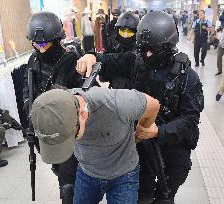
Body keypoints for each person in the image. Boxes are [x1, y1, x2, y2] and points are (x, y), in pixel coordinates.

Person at [76, 11, 204, 203]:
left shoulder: (187, 77)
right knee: (141, 197)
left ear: (169, 46)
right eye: (143, 49)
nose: (146, 55)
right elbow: (109, 61)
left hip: (171, 151)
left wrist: (158, 131)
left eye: (152, 50)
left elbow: (190, 121)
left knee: (165, 198)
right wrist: (91, 56)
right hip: (141, 150)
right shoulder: (135, 61)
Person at [31, 87, 160, 204]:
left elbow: (153, 105)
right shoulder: (52, 110)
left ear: (82, 114)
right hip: (87, 172)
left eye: (70, 137)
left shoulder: (117, 103)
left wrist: (142, 129)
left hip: (124, 175)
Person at [24, 11, 83, 204]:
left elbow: (89, 96)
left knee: (69, 185)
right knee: (59, 169)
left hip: (69, 129)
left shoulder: (72, 60)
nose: (41, 49)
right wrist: (30, 120)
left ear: (57, 40)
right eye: (37, 44)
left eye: (45, 44)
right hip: (45, 127)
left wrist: (69, 95)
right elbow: (28, 92)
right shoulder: (33, 61)